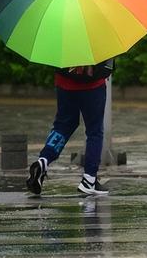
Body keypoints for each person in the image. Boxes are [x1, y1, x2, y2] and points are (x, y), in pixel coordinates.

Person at [26, 59, 114, 196]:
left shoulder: (62, 36)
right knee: (94, 131)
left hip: (65, 82)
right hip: (93, 85)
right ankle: (89, 179)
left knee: (63, 125)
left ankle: (43, 160)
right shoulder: (100, 37)